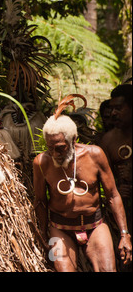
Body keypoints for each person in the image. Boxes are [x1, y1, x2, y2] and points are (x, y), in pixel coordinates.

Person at [33, 95, 131, 272]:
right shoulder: (41, 162)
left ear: (74, 140)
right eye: (50, 147)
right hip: (59, 229)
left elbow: (113, 195)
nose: (55, 154)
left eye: (61, 148)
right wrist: (42, 235)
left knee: (108, 270)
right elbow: (40, 201)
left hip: (95, 225)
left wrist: (125, 234)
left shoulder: (95, 155)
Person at [99, 85, 132, 269]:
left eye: (119, 108)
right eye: (111, 109)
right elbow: (104, 184)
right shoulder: (108, 141)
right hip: (124, 215)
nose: (112, 114)